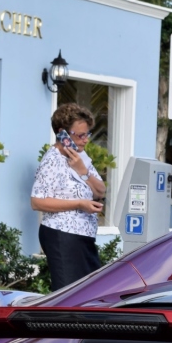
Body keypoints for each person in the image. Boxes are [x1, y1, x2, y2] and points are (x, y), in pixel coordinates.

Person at [30, 103, 107, 290]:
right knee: (69, 295)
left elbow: (101, 191)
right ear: (62, 133)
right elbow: (37, 201)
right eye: (80, 135)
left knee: (90, 292)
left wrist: (83, 172)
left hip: (83, 237)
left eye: (87, 134)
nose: (85, 140)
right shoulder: (52, 160)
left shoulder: (81, 157)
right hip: (61, 235)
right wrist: (79, 204)